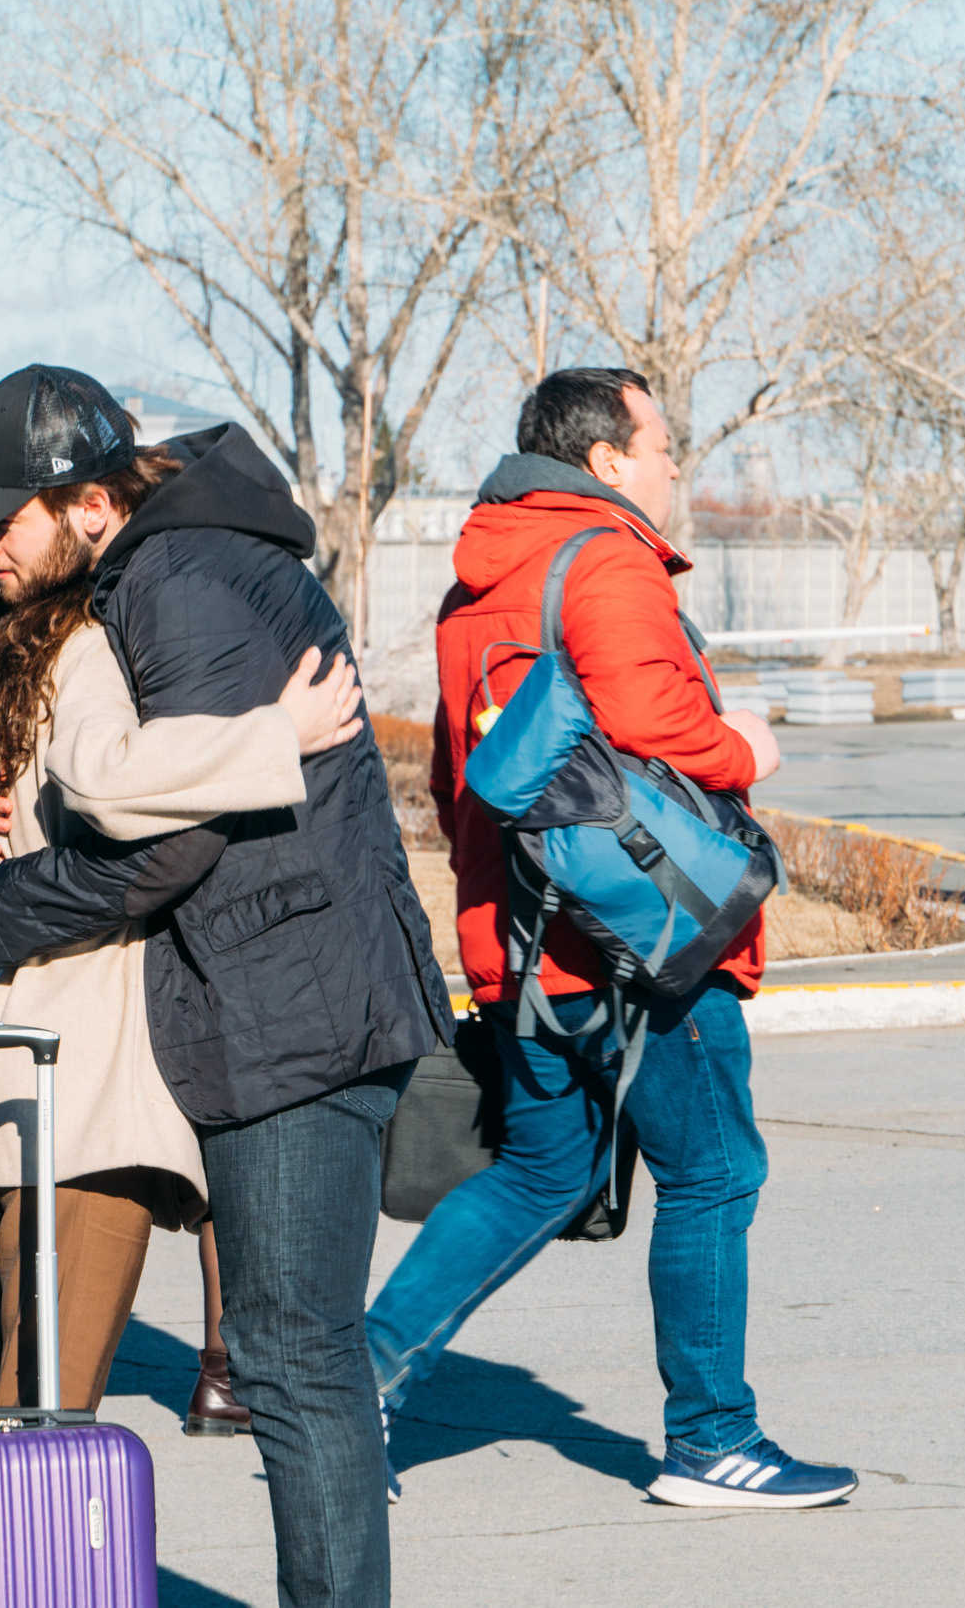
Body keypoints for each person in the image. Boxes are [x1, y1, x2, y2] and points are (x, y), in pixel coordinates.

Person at [0, 364, 452, 1608]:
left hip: (291, 1009)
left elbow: (162, 836)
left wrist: (9, 899)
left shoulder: (177, 579)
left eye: (3, 515)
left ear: (86, 498)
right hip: (285, 1001)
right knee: (289, 1348)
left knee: (294, 1352)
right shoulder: (164, 567)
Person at [365, 365, 856, 1511]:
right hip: (644, 941)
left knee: (541, 1168)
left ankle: (356, 1383)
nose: (676, 465)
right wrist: (744, 749)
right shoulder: (607, 555)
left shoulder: (476, 582)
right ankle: (712, 1439)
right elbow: (654, 724)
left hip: (524, 936)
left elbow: (456, 780)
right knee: (714, 1171)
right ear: (603, 460)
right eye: (662, 444)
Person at [0, 419, 368, 1411]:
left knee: (14, 1392)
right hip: (60, 1054)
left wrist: (271, 736)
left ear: (83, 507)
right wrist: (275, 736)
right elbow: (86, 786)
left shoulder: (87, 639)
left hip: (58, 1056)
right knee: (33, 1401)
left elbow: (108, 782)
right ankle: (6, 1568)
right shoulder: (57, 641)